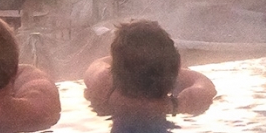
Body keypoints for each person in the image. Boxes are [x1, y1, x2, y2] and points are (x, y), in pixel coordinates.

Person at [83, 20, 216, 119]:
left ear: (115, 72)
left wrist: (125, 59)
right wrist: (177, 103)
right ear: (174, 70)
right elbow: (203, 83)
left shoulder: (103, 84)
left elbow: (97, 65)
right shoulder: (186, 102)